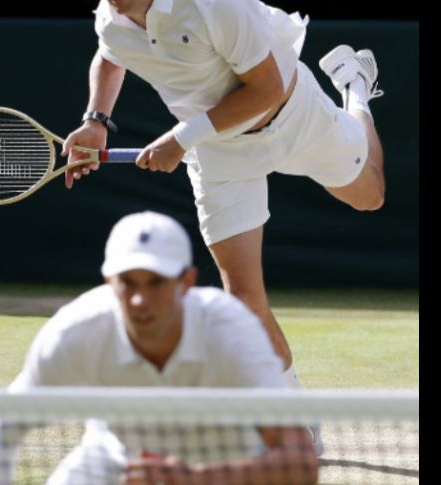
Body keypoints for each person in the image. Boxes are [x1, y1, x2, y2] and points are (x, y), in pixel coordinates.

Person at [61, 0, 385, 402]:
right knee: (244, 298)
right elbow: (110, 54)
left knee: (370, 196)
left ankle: (355, 90)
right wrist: (96, 121)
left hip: (291, 115)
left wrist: (180, 139)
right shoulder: (111, 20)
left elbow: (267, 88)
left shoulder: (213, 4)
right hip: (217, 151)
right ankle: (292, 416)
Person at [0, 211, 318, 485]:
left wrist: (195, 480)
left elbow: (299, 462)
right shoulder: (75, 332)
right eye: (128, 282)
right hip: (112, 461)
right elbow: (0, 434)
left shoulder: (230, 332)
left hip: (225, 464)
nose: (139, 299)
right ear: (109, 282)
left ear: (186, 282)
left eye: (156, 283)